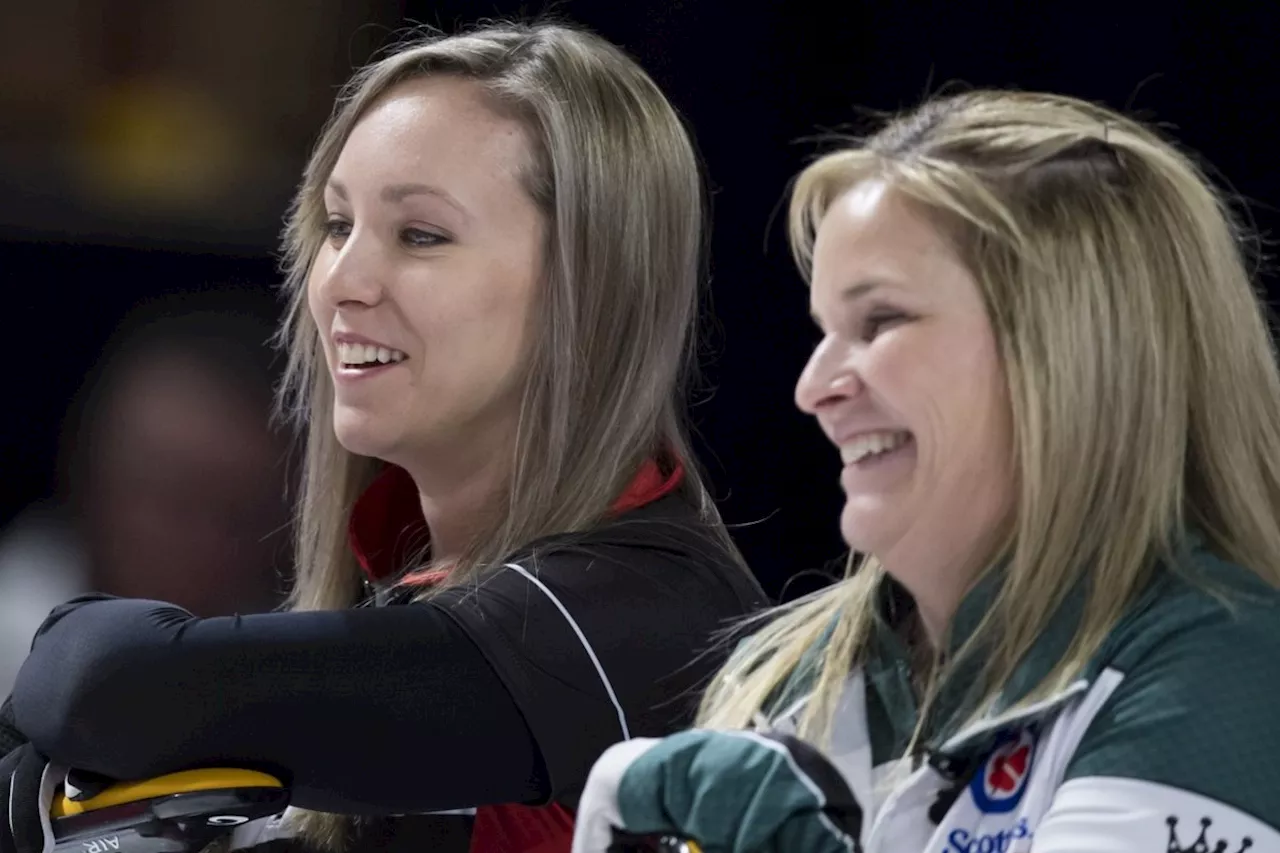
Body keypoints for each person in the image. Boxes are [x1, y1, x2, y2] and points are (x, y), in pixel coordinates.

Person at [0, 20, 766, 853]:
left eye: (421, 235)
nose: (343, 284)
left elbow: (110, 685)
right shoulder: (427, 592)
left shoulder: (637, 607)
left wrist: (69, 676)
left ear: (590, 287)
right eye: (336, 226)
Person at [570, 89, 1280, 853]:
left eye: (880, 321)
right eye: (824, 331)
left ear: (1072, 351)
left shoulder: (1231, 668)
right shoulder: (783, 677)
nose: (814, 388)